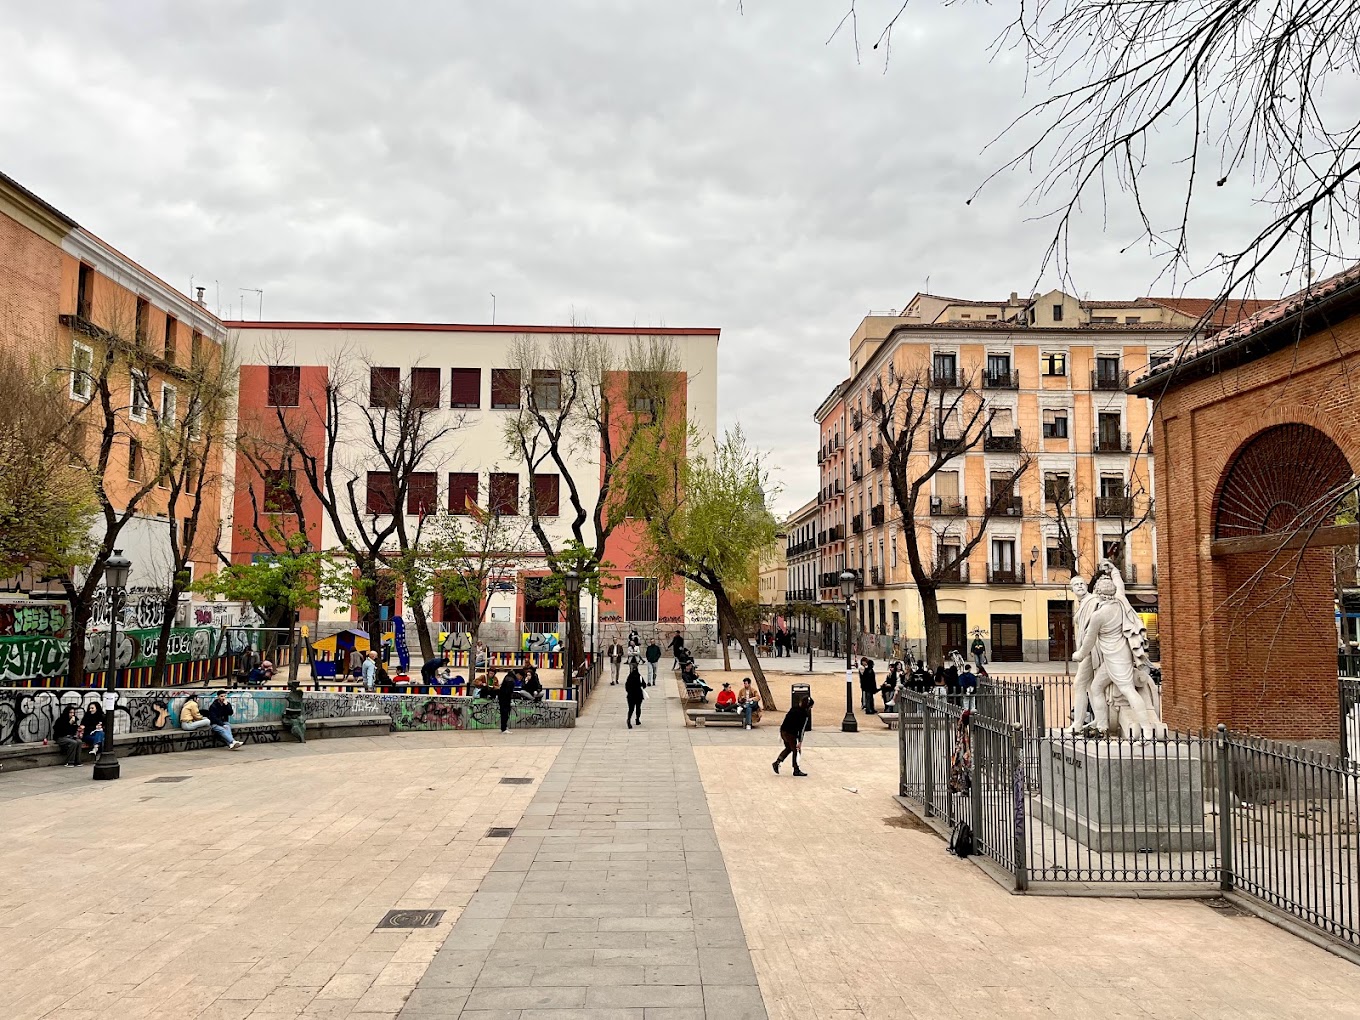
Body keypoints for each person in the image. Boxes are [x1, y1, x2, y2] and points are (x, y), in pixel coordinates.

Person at [772, 697, 813, 777]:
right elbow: (802, 729)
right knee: (796, 750)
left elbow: (786, 719)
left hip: (783, 731)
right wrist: (800, 741)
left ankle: (777, 762)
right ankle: (796, 769)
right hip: (791, 733)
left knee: (788, 748)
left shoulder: (793, 709)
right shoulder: (804, 715)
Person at [625, 663, 646, 728]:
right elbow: (644, 685)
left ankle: (629, 719)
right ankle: (637, 719)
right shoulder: (640, 677)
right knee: (638, 707)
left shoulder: (629, 677)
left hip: (631, 695)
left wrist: (629, 691)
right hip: (638, 695)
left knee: (631, 709)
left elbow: (626, 686)